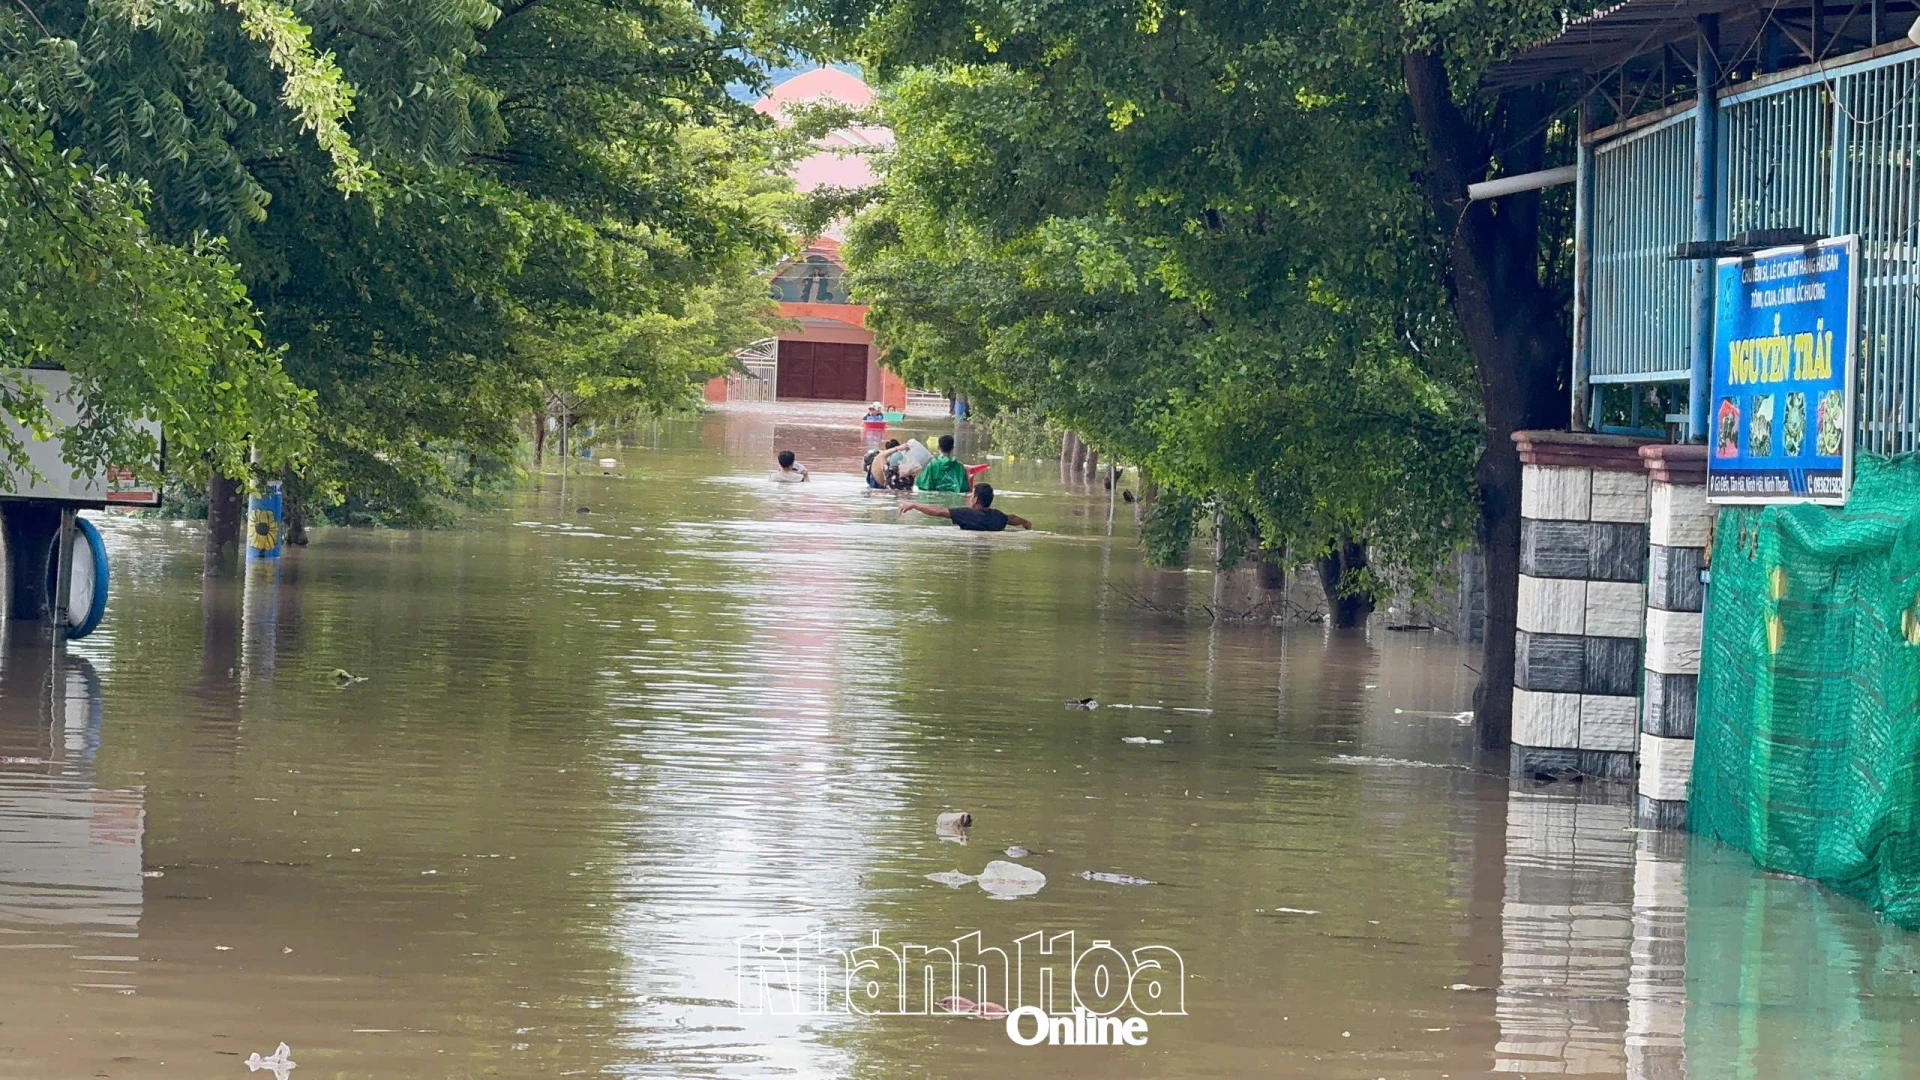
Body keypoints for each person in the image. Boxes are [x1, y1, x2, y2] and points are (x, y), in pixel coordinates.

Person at [900, 483, 1031, 531]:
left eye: (971, 496)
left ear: (976, 500)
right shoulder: (998, 517)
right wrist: (1025, 522)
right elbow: (1012, 518)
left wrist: (915, 505)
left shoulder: (966, 514)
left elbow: (939, 511)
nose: (969, 498)